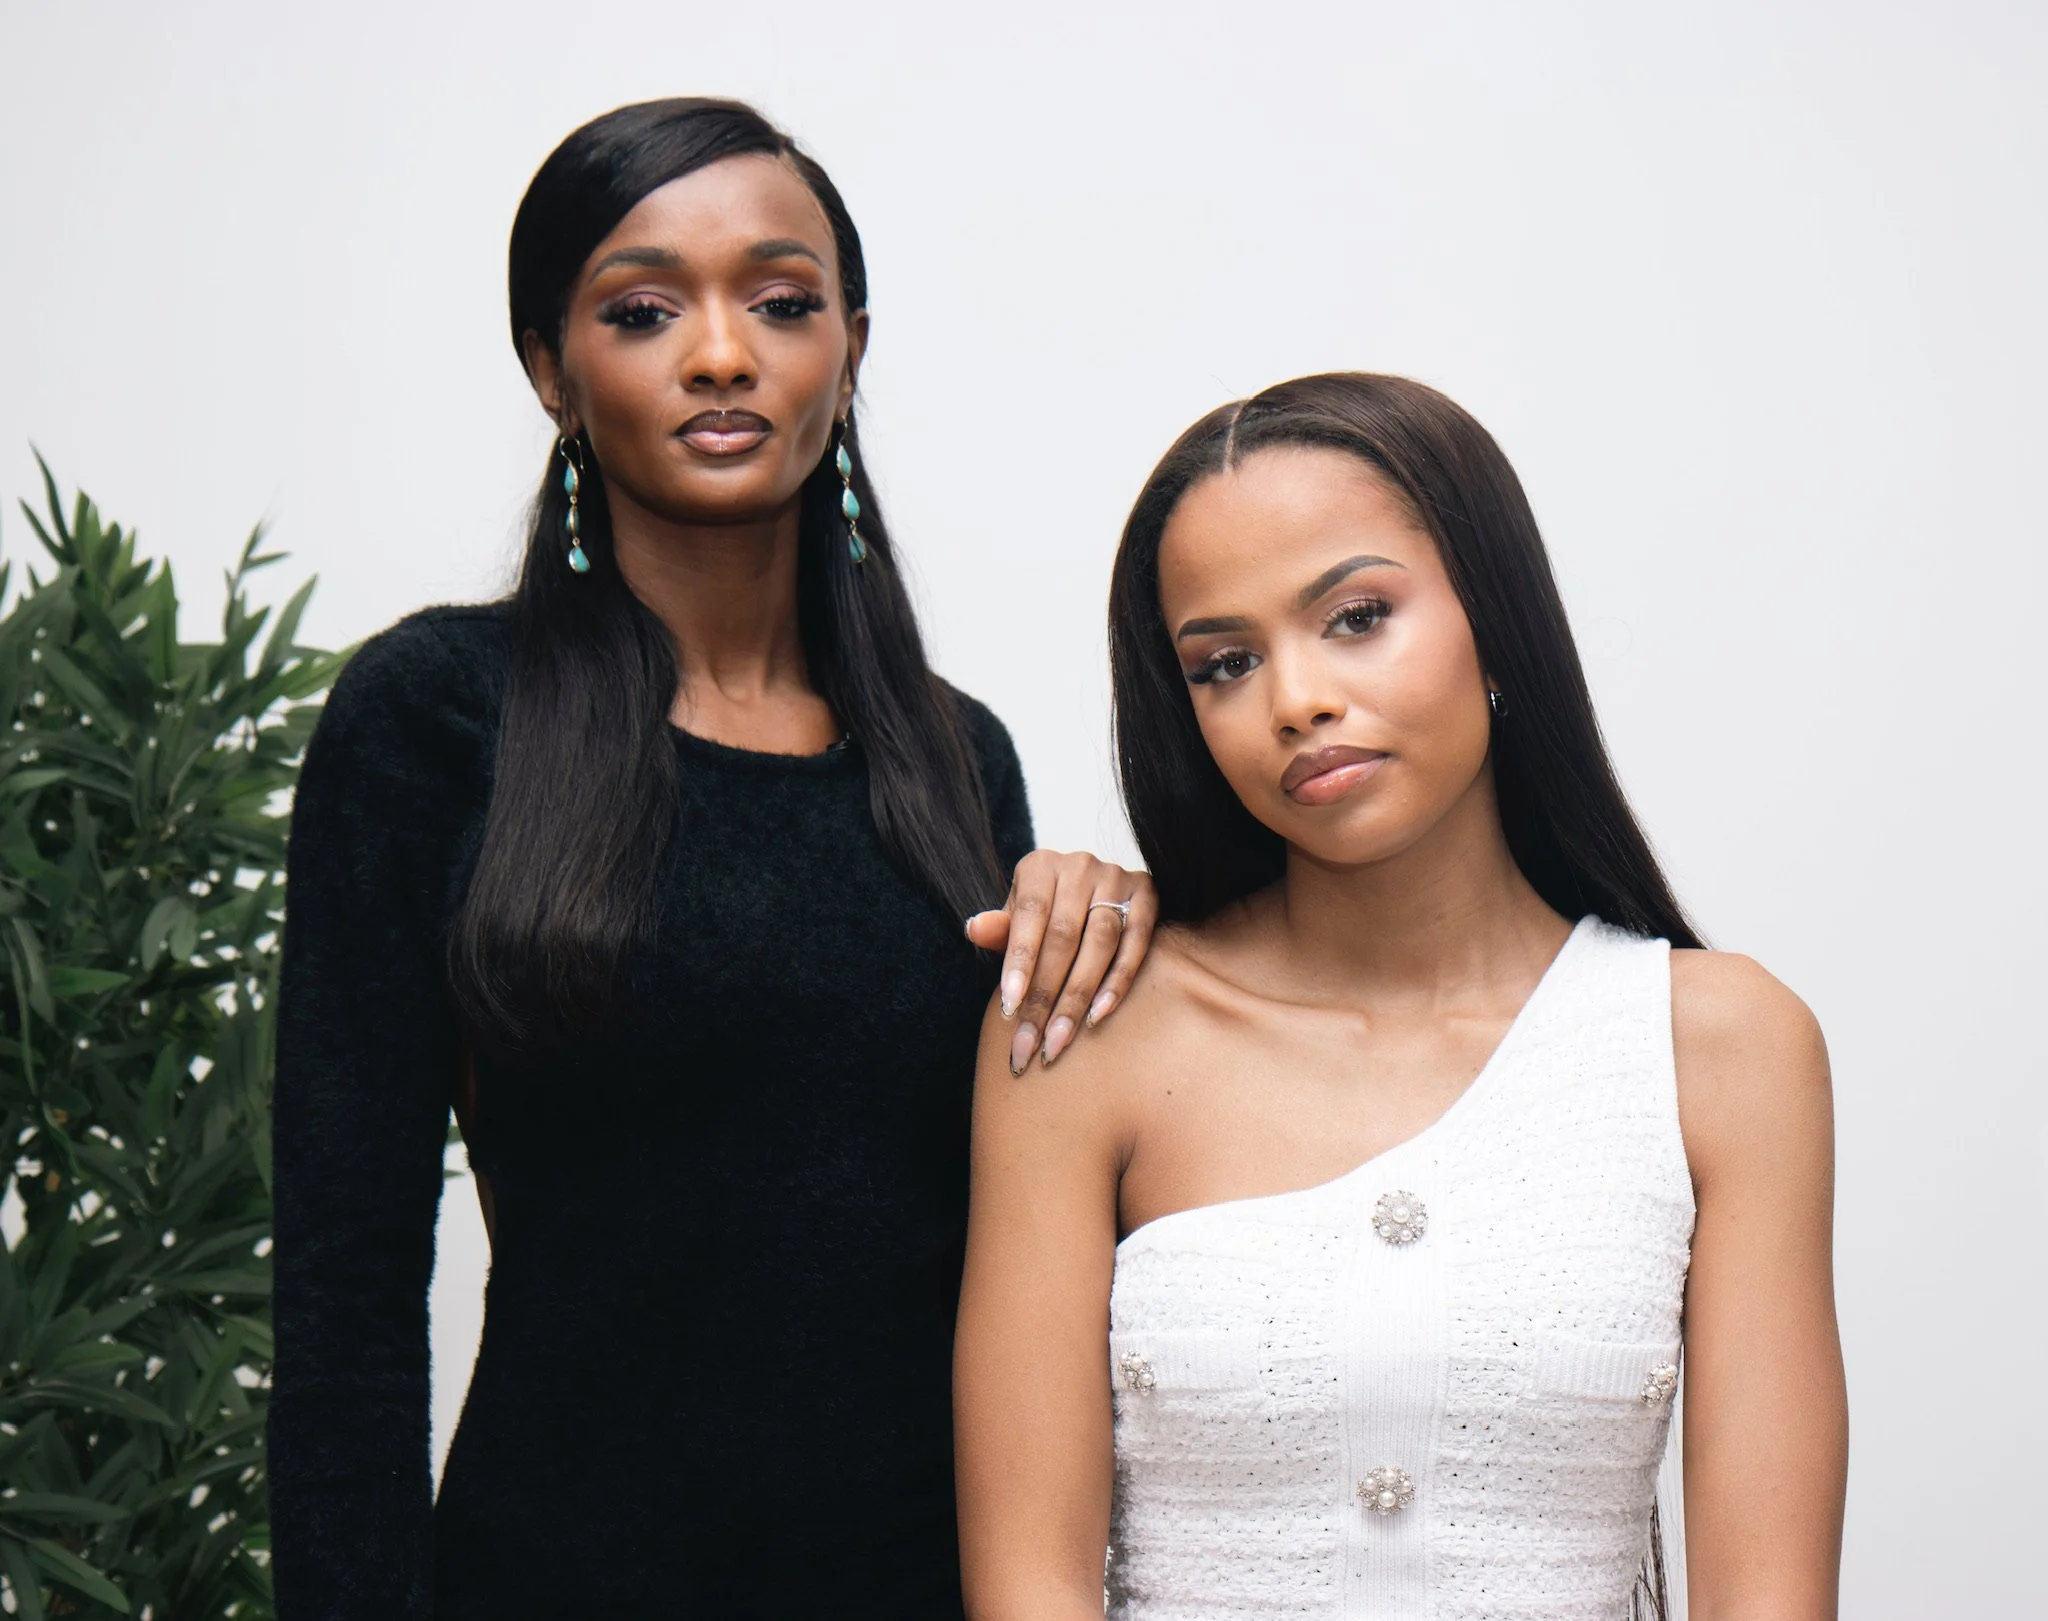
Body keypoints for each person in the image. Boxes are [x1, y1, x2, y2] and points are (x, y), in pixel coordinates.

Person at [267, 97, 1157, 1620]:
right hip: (552, 1580)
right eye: (643, 309)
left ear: (851, 350)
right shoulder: (432, 717)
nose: (723, 353)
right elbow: (346, 1284)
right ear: (552, 368)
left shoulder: (959, 761)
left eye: (782, 301)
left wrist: (1134, 936)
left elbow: (1049, 1248)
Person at [954, 374, 1848, 1619]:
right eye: (1223, 662)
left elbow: (1767, 1599)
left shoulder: (1720, 1047)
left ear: (1494, 615)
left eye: (1356, 616)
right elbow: (1027, 1585)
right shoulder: (1080, 1034)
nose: (1294, 698)